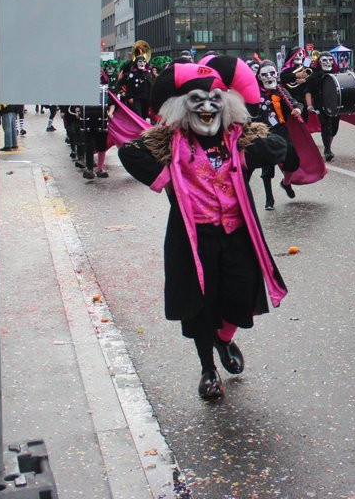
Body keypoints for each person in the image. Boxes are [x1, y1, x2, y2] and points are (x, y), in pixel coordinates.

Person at [118, 61, 288, 401]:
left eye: (215, 99)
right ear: (181, 106)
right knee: (201, 306)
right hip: (194, 238)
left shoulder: (239, 137)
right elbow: (128, 152)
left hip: (237, 233)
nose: (208, 107)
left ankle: (223, 340)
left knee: (241, 297)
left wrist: (251, 141)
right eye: (197, 100)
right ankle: (208, 369)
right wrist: (168, 179)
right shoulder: (169, 142)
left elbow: (280, 146)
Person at [255, 61, 303, 209]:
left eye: (272, 73)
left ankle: (286, 183)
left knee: (292, 160)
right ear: (258, 76)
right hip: (263, 132)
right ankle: (269, 199)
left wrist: (297, 109)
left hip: (280, 130)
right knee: (267, 165)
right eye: (265, 74)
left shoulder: (280, 91)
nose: (269, 77)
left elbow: (295, 103)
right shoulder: (254, 92)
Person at [305, 52, 340, 162]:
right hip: (320, 104)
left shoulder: (337, 75)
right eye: (324, 60)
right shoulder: (314, 76)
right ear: (319, 62)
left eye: (330, 60)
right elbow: (308, 91)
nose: (327, 62)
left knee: (334, 129)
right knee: (325, 126)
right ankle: (327, 151)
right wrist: (309, 105)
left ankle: (328, 147)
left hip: (335, 105)